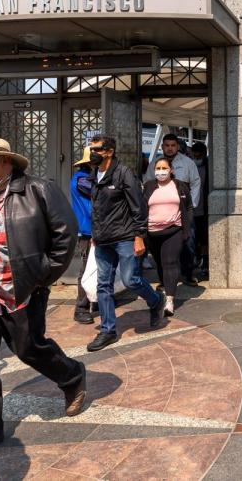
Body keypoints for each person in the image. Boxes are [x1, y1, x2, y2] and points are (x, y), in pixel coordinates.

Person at [0, 137, 86, 459]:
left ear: (4, 161)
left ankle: (72, 375)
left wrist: (42, 277)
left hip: (20, 293)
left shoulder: (37, 191)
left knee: (28, 349)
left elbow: (66, 234)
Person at [87, 135, 166, 352]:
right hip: (103, 239)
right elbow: (96, 207)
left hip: (124, 237)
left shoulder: (124, 174)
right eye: (91, 148)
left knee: (131, 280)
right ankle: (108, 330)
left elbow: (138, 207)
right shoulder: (94, 174)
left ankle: (156, 300)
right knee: (103, 284)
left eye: (97, 149)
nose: (93, 152)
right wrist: (96, 233)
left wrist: (139, 236)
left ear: (110, 151)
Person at [143, 133, 202, 286]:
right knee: (161, 248)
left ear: (177, 146)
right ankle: (165, 280)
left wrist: (192, 205)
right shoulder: (155, 164)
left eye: (173, 145)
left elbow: (196, 182)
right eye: (167, 146)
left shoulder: (188, 163)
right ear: (162, 147)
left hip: (183, 210)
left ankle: (188, 274)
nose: (170, 149)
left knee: (188, 243)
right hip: (161, 213)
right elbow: (147, 184)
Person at [143, 157, 194, 316]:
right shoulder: (148, 186)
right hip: (152, 233)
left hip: (174, 231)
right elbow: (140, 208)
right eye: (157, 168)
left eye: (164, 168)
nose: (161, 171)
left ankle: (170, 300)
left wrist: (185, 229)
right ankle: (165, 287)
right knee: (160, 263)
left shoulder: (180, 186)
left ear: (171, 170)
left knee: (170, 262)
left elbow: (189, 207)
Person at [70, 149, 98, 324]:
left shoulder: (89, 177)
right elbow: (99, 192)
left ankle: (96, 300)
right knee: (86, 270)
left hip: (97, 229)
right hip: (88, 231)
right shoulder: (82, 179)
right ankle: (81, 307)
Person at [189, 141, 211, 280]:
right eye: (195, 155)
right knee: (192, 239)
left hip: (204, 210)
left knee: (204, 239)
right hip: (191, 210)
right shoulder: (189, 166)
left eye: (200, 156)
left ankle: (205, 264)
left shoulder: (210, 166)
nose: (197, 158)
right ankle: (195, 260)